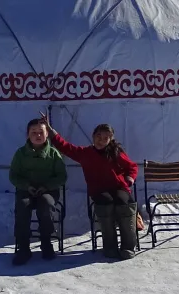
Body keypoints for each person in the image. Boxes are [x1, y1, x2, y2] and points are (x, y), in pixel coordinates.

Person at [42, 113, 140, 260]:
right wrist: (50, 130)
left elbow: (132, 166)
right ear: (93, 136)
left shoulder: (115, 152)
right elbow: (65, 147)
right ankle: (110, 246)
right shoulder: (85, 153)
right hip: (99, 190)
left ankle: (128, 246)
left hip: (118, 187)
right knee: (105, 203)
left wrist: (130, 178)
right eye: (98, 136)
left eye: (105, 138)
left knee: (124, 202)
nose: (101, 140)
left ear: (110, 139)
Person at [8, 117, 67, 265]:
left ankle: (46, 243)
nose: (38, 135)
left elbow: (62, 176)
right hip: (26, 190)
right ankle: (23, 248)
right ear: (28, 134)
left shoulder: (53, 154)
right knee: (22, 206)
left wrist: (46, 186)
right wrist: (26, 186)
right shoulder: (20, 154)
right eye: (34, 132)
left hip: (48, 190)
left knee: (46, 205)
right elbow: (14, 175)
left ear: (47, 134)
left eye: (41, 132)